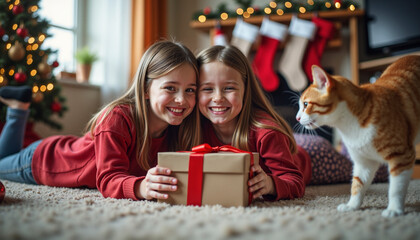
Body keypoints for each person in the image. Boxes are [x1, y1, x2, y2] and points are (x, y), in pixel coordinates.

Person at [0, 40, 200, 201]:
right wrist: (140, 187)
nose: (182, 99)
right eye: (170, 88)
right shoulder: (118, 118)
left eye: (190, 90)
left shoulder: (181, 127)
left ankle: (18, 107)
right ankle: (18, 110)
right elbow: (108, 179)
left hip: (59, 149)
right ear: (146, 89)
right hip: (43, 162)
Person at [196, 45, 388, 201]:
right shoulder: (195, 127)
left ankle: (347, 144)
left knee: (368, 168)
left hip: (313, 156)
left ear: (246, 90)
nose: (218, 98)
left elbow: (295, 182)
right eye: (207, 89)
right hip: (290, 143)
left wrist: (271, 184)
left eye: (229, 88)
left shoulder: (266, 132)